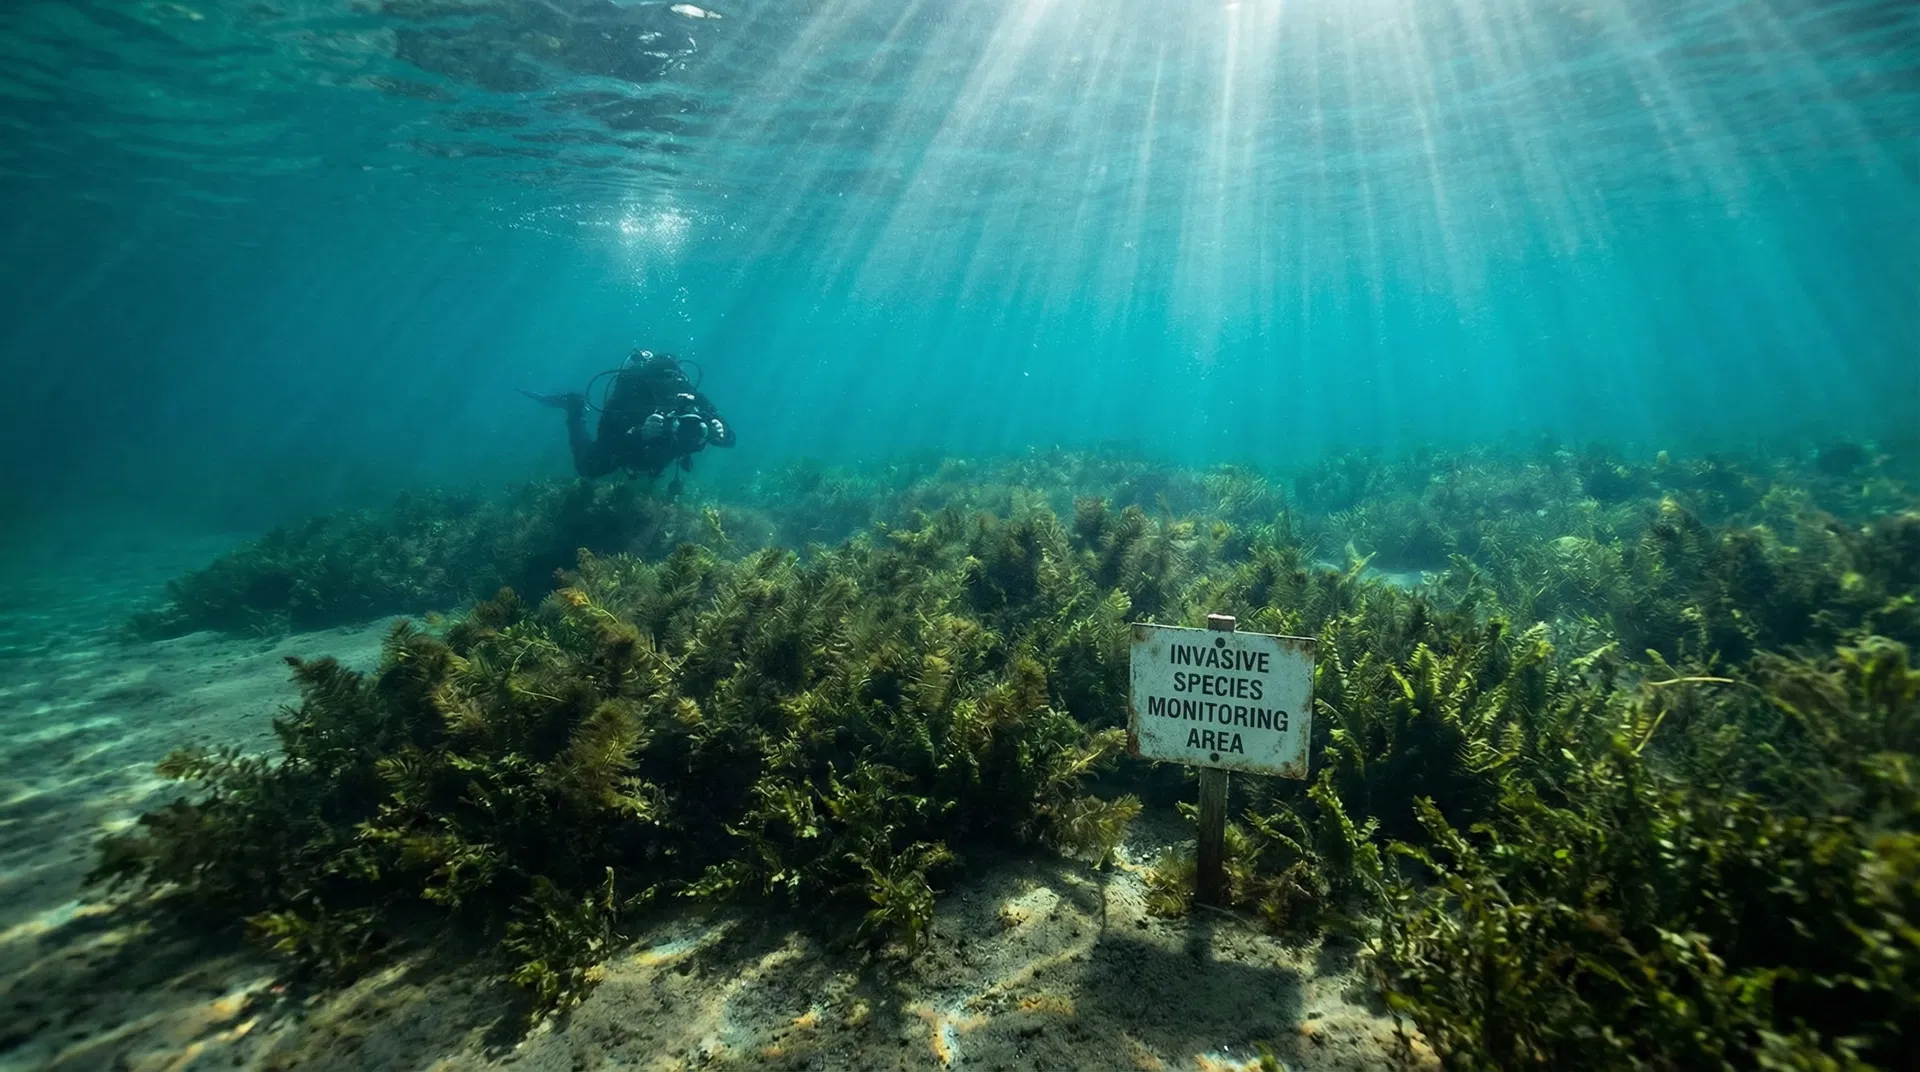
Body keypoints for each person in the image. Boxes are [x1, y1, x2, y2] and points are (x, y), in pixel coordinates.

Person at [523, 349, 735, 487]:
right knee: (586, 467)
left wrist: (720, 432)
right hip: (627, 452)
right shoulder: (631, 392)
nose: (669, 389)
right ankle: (575, 408)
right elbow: (606, 436)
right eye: (661, 382)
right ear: (648, 380)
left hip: (658, 458)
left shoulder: (688, 395)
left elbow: (730, 438)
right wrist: (638, 432)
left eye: (673, 381)